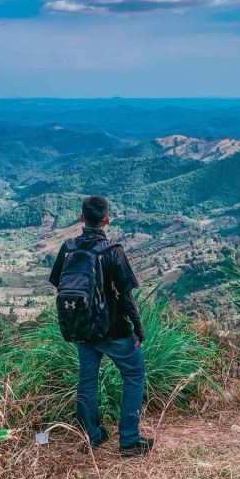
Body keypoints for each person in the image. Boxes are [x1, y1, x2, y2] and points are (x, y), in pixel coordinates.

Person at [49, 195, 154, 456]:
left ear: (81, 217)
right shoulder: (112, 251)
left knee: (87, 380)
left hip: (82, 328)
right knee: (134, 375)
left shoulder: (69, 247)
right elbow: (127, 296)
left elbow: (58, 283)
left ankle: (91, 436)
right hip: (114, 329)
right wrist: (138, 327)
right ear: (107, 220)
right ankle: (129, 440)